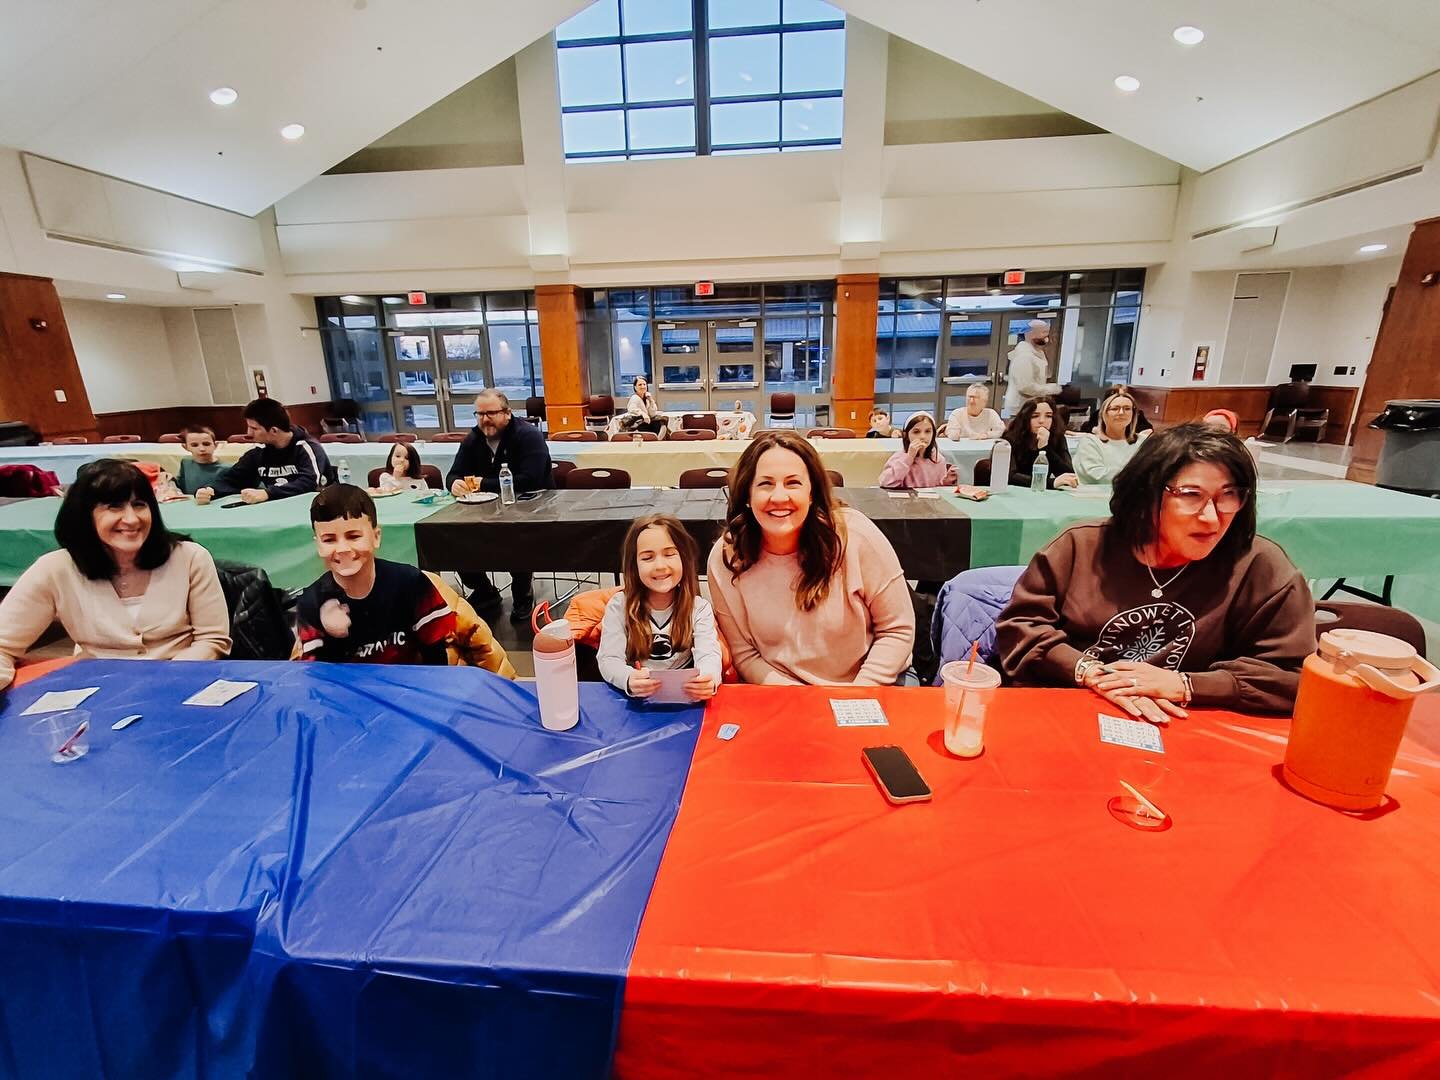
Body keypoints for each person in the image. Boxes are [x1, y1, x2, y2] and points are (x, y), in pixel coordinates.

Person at [995, 424, 1316, 718]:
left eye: (1228, 495)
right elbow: (1020, 628)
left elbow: (1292, 677)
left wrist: (1186, 684)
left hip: (1187, 724)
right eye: (1191, 495)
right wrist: (1091, 672)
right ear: (1146, 494)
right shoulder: (1080, 546)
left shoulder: (1261, 567)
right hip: (1068, 709)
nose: (1211, 517)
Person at [707, 430, 915, 685]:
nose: (779, 497)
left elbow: (897, 630)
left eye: (793, 483)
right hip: (782, 690)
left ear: (812, 492)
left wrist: (855, 697)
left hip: (871, 683)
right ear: (747, 495)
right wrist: (800, 699)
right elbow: (745, 654)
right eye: (765, 484)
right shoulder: (727, 556)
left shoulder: (856, 536)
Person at [0, 460, 230, 689]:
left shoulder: (190, 557)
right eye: (114, 507)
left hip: (181, 684)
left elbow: (212, 640)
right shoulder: (54, 568)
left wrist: (162, 682)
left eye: (139, 505)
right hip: (96, 691)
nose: (131, 519)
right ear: (84, 515)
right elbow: (2, 645)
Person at [295, 484, 456, 665]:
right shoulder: (311, 602)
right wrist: (333, 637)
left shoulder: (411, 583)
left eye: (353, 536)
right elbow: (317, 673)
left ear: (376, 537)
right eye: (329, 540)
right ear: (318, 545)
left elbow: (437, 657)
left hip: (408, 681)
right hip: (347, 684)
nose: (342, 549)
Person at [444, 388, 552, 621]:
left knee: (514, 536)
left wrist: (483, 483)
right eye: (480, 414)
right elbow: (453, 474)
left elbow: (531, 479)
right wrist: (454, 484)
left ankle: (522, 592)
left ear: (507, 413)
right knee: (452, 535)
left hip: (531, 506)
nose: (485, 419)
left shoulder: (528, 436)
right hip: (485, 509)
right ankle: (484, 590)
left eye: (491, 413)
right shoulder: (473, 439)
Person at [597, 514, 722, 700]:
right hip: (636, 699)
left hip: (686, 698)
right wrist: (628, 678)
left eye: (669, 554)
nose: (660, 566)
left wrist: (708, 679)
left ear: (684, 558)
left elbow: (709, 655)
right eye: (648, 557)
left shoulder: (699, 608)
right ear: (634, 565)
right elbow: (609, 659)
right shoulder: (619, 606)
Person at [194, 398, 330, 504]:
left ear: (274, 431)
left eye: (254, 428)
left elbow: (309, 482)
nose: (248, 433)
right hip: (277, 506)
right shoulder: (259, 451)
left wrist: (268, 493)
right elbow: (234, 478)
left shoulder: (307, 447)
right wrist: (210, 490)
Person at [999, 397, 1078, 489]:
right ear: (1026, 418)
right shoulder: (1010, 438)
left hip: (1044, 493)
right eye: (1035, 416)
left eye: (1048, 416)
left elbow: (1068, 475)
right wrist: (1050, 483)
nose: (1042, 421)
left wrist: (1045, 448)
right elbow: (1010, 476)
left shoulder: (1058, 437)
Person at [1072, 388, 1148, 484]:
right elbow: (1097, 475)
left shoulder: (1143, 442)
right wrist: (1137, 474)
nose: (1121, 413)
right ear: (1104, 414)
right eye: (1115, 409)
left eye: (1127, 409)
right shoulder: (1090, 442)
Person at [880, 413, 958, 490]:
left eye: (927, 431)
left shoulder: (938, 459)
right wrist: (909, 457)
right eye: (916, 432)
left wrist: (947, 481)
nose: (922, 436)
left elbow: (938, 488)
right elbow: (886, 483)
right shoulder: (899, 457)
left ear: (933, 434)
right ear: (906, 435)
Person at [1003, 320, 1060, 414]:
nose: (1047, 337)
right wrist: (1051, 389)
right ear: (1031, 334)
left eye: (1047, 332)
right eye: (1043, 332)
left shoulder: (1037, 353)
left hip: (1030, 406)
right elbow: (1025, 386)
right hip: (1020, 408)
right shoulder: (1024, 356)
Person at [176, 426, 226, 494]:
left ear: (215, 445)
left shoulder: (226, 469)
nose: (202, 449)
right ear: (185, 447)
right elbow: (179, 486)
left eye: (206, 444)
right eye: (194, 445)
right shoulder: (186, 462)